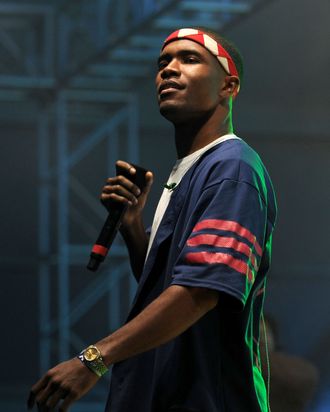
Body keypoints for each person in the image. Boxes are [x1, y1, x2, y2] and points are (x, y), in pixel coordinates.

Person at [28, 27, 277, 412]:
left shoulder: (233, 168)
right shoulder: (188, 173)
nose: (169, 70)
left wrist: (94, 359)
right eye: (163, 63)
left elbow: (200, 291)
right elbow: (171, 284)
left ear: (228, 86)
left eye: (188, 59)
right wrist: (132, 227)